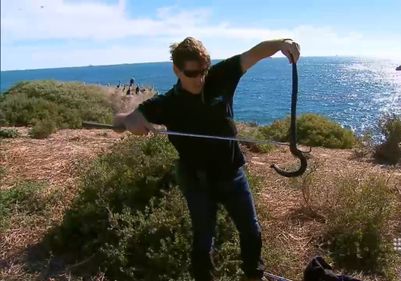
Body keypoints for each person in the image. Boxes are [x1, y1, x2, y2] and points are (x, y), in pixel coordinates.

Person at [113, 37, 300, 281]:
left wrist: (281, 43)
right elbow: (118, 121)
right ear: (176, 70)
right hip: (196, 181)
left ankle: (254, 277)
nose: (200, 79)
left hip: (233, 174)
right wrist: (130, 119)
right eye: (192, 73)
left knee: (251, 231)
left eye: (204, 71)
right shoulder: (166, 104)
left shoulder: (220, 77)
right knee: (203, 240)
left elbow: (254, 53)